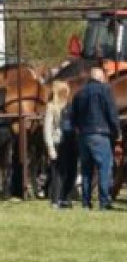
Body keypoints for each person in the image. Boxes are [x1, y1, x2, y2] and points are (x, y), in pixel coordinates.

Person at [69, 66, 121, 210]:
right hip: (101, 134)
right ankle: (104, 201)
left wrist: (78, 130)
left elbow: (73, 116)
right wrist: (117, 130)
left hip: (84, 135)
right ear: (101, 77)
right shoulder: (105, 91)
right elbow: (111, 112)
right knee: (104, 167)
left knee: (86, 169)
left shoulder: (79, 93)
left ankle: (86, 202)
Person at [42, 80, 77, 208]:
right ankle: (55, 199)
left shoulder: (71, 106)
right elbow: (47, 128)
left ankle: (66, 198)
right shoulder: (51, 107)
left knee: (72, 171)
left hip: (71, 141)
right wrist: (50, 147)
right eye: (64, 91)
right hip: (58, 142)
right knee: (58, 173)